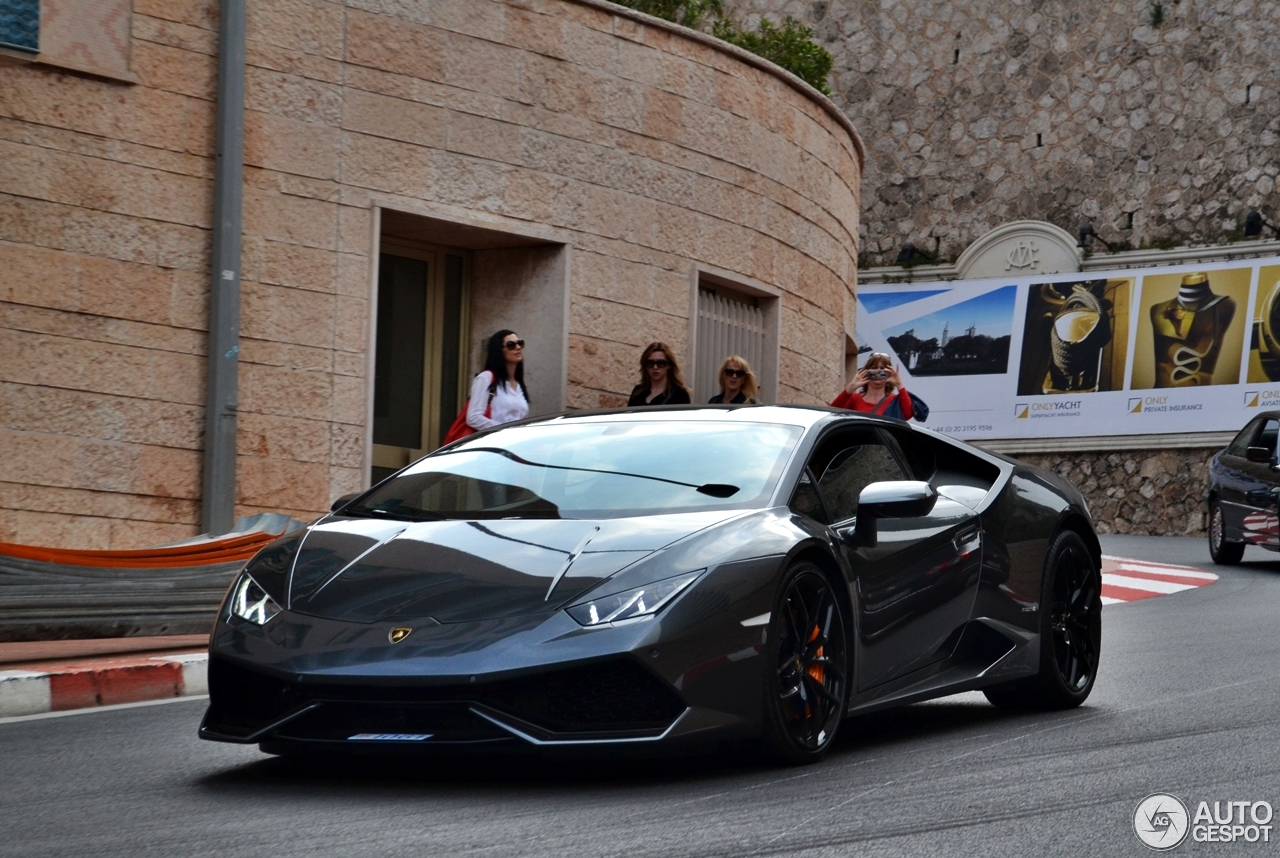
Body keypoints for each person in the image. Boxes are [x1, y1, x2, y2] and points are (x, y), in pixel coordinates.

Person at [831, 352, 928, 421]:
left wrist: (899, 383)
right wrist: (851, 387)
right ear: (866, 371)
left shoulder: (894, 400)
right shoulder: (855, 398)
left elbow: (907, 415)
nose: (878, 372)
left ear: (889, 373)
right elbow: (832, 412)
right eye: (874, 368)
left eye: (882, 369)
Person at [466, 329, 530, 430]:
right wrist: (505, 430)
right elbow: (473, 417)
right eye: (511, 345)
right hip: (493, 441)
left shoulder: (518, 383)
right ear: (499, 351)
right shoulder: (486, 378)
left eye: (520, 343)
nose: (518, 347)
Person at [628, 342, 692, 406]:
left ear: (669, 365)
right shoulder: (638, 392)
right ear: (645, 366)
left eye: (661, 363)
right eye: (650, 363)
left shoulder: (679, 395)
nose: (655, 367)